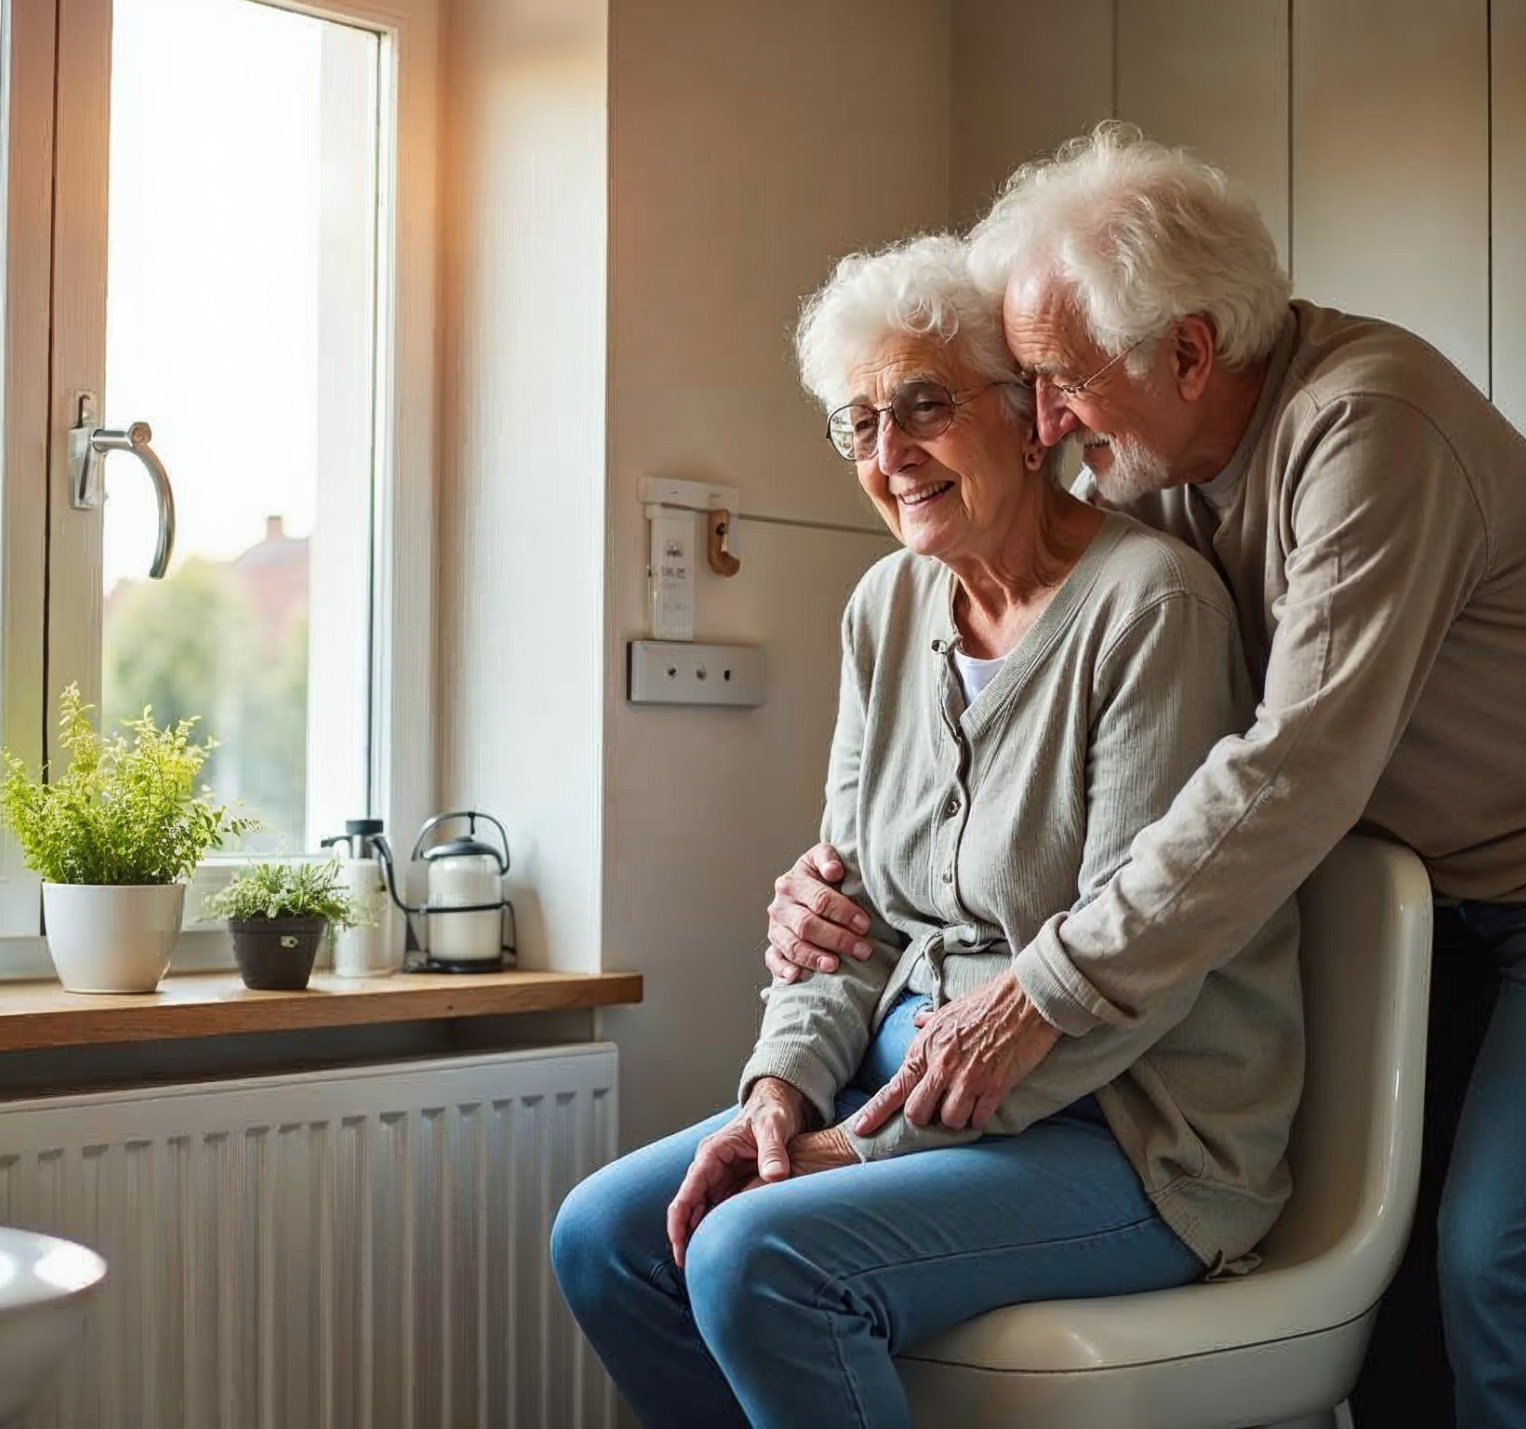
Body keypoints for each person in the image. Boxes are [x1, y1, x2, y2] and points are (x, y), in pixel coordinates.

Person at [761, 126, 1526, 1429]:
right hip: (1433, 888)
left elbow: (1297, 765)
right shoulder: (1167, 472)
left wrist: (1049, 986)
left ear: (1189, 351)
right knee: (1407, 1302)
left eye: (1059, 381)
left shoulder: (1369, 426)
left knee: (1496, 1262)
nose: (1045, 423)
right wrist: (838, 876)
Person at [552, 233, 1305, 1429]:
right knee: (605, 1237)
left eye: (922, 406)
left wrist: (862, 1144)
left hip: (1130, 1127)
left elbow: (1137, 959)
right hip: (902, 1081)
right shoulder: (884, 608)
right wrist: (780, 1087)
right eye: (858, 423)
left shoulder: (1149, 607)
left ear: (1028, 416)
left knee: (757, 1257)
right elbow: (842, 918)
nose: (889, 453)